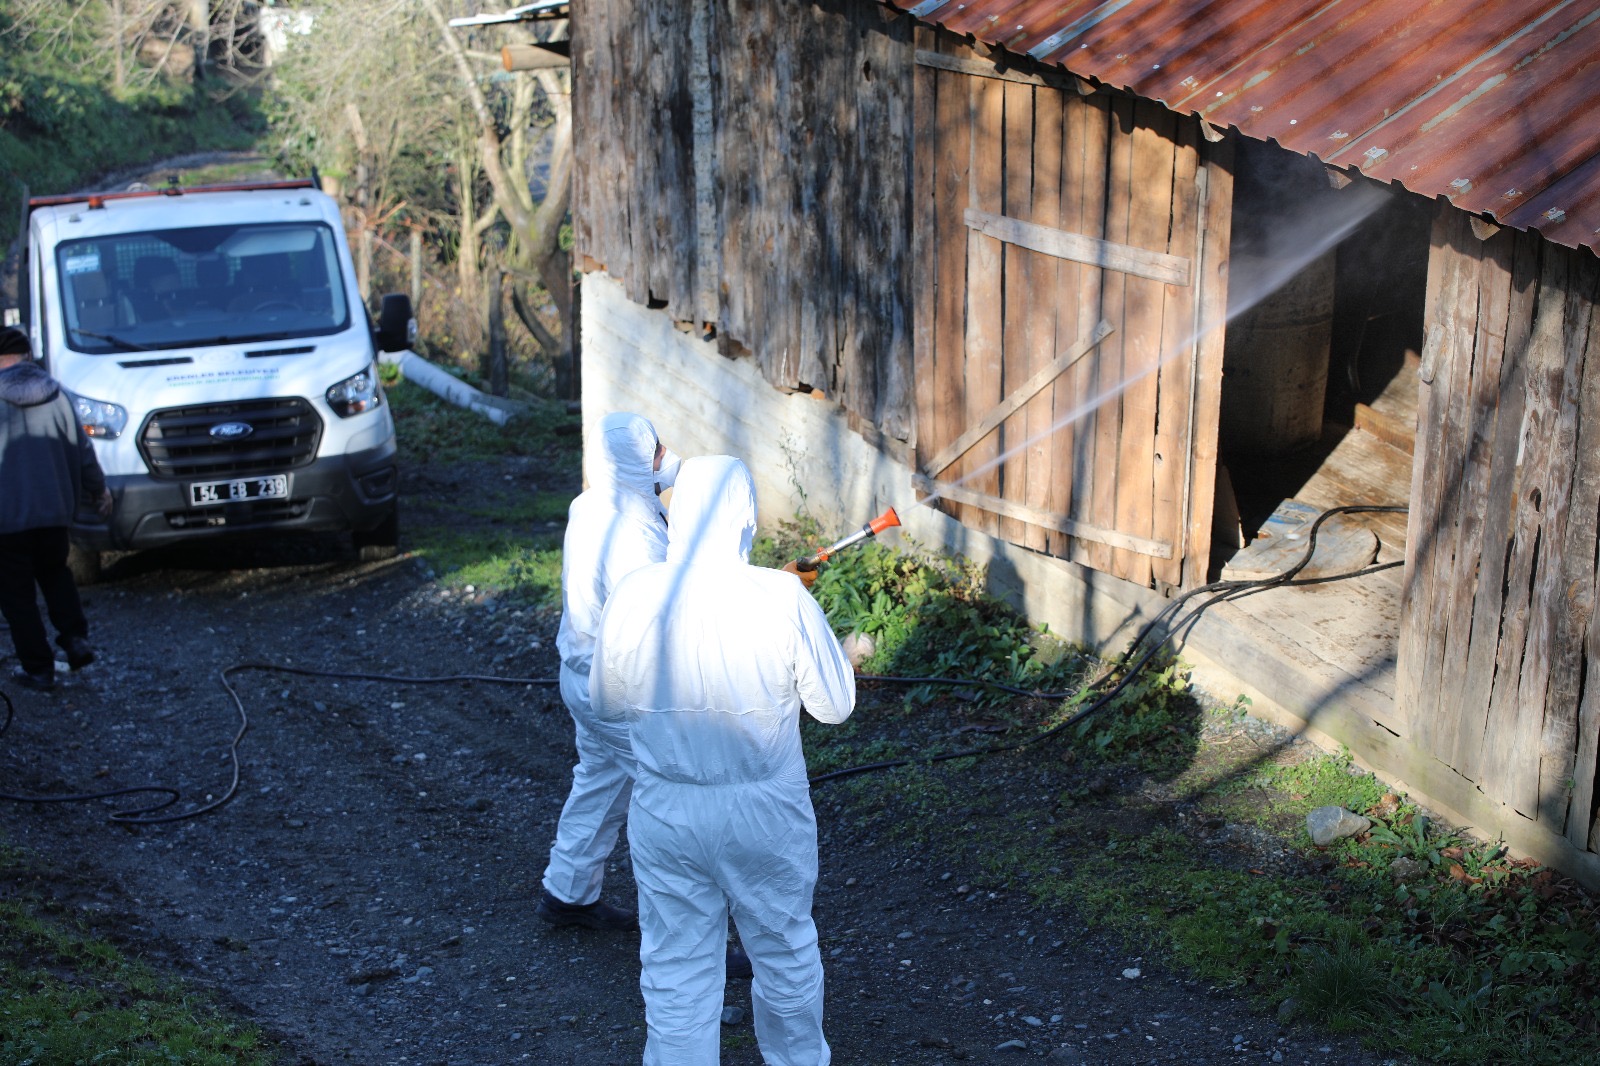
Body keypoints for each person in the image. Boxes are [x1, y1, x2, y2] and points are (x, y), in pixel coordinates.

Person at [591, 455, 856, 1065]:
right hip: (765, 810)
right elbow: (834, 707)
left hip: (664, 808)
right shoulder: (783, 595)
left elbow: (605, 702)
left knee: (676, 963)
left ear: (677, 516)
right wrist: (839, 659)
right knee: (783, 949)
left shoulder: (635, 594)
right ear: (747, 519)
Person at [537, 411, 679, 930]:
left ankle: (567, 892)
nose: (666, 460)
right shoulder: (637, 533)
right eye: (657, 451)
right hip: (621, 688)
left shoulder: (591, 504)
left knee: (600, 777)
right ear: (636, 459)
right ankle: (680, 929)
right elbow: (667, 617)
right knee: (668, 797)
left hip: (581, 673)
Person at [0, 326, 112, 692]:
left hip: (7, 519)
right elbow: (82, 452)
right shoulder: (57, 394)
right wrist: (99, 491)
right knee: (55, 573)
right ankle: (75, 638)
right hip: (54, 513)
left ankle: (38, 669)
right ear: (27, 356)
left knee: (17, 597)